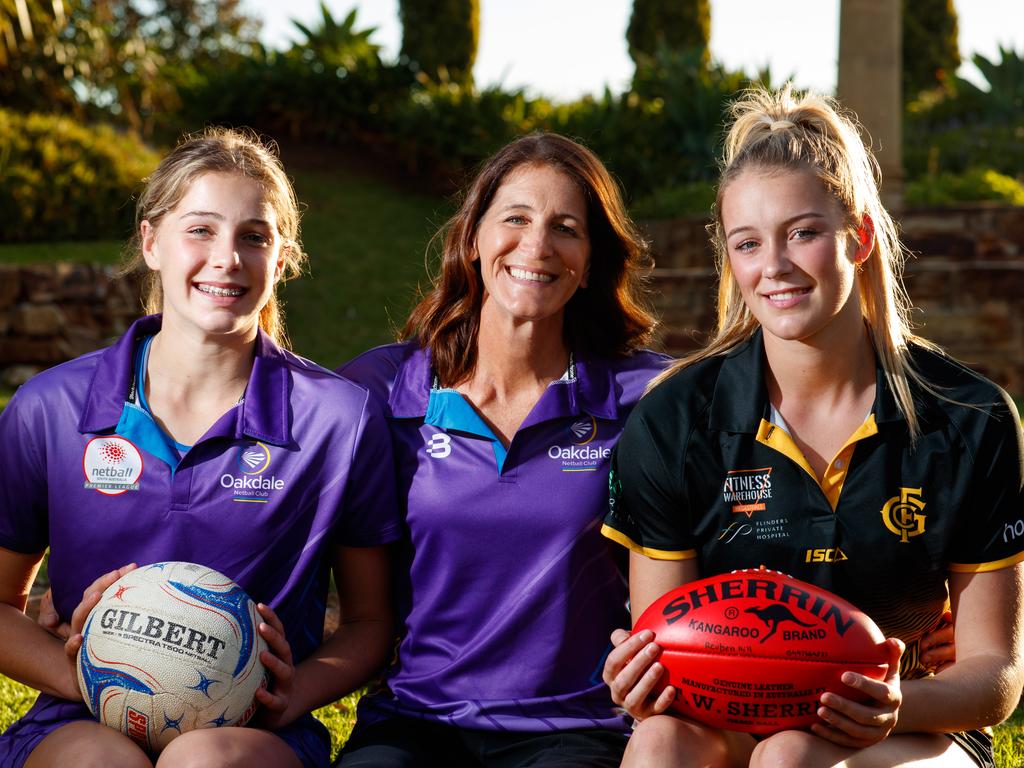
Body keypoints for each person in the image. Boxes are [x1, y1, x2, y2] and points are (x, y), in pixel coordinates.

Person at [600, 85, 1024, 768]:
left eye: (803, 232)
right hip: (736, 712)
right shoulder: (675, 419)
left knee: (793, 756)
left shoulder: (967, 417)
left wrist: (889, 699)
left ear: (857, 236)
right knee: (659, 741)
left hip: (914, 722)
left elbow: (995, 676)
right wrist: (646, 680)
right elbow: (670, 651)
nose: (775, 267)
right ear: (730, 260)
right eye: (749, 243)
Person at [0, 128, 401, 768]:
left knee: (202, 762)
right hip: (78, 717)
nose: (227, 258)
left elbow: (369, 624)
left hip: (254, 734)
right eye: (201, 230)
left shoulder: (339, 420)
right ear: (150, 242)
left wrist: (293, 692)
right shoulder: (50, 408)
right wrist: (98, 676)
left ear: (283, 255)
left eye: (254, 236)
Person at [333, 132, 668, 767]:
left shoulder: (645, 397)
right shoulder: (380, 390)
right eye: (515, 218)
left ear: (592, 259)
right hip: (414, 719)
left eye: (566, 227)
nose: (537, 246)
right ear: (475, 237)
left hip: (574, 726)